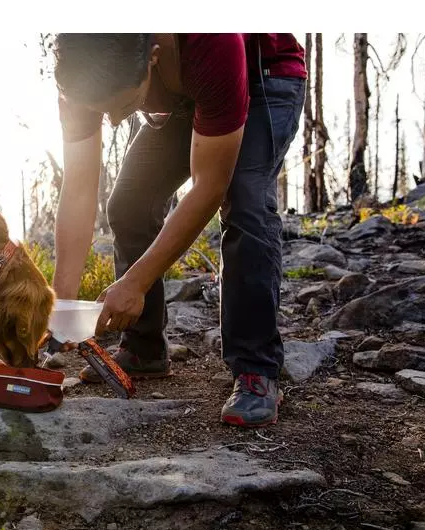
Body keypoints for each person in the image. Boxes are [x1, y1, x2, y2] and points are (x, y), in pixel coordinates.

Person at [52, 34, 306, 427]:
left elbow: (209, 187)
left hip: (263, 77)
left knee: (246, 201)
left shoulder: (212, 39)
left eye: (122, 106)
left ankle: (256, 368)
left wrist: (135, 283)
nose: (115, 121)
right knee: (130, 203)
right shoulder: (80, 71)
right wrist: (60, 305)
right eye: (100, 112)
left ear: (152, 57)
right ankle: (144, 349)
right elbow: (79, 190)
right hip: (180, 94)